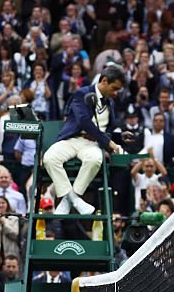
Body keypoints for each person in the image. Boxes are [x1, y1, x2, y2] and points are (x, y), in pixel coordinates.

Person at [42, 63, 127, 215]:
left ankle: (68, 200)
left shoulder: (110, 103)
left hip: (91, 144)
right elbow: (84, 122)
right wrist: (109, 143)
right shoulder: (82, 94)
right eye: (114, 88)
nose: (116, 93)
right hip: (71, 139)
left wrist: (119, 137)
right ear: (104, 81)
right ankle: (75, 200)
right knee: (49, 158)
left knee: (95, 160)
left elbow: (105, 131)